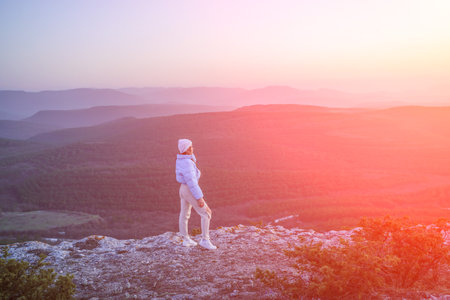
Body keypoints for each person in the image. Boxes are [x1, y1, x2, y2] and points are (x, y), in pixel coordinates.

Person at [176, 138, 217, 250]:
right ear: (187, 149)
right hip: (189, 189)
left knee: (184, 214)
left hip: (182, 189)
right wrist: (199, 198)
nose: (193, 148)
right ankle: (205, 240)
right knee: (206, 213)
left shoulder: (180, 160)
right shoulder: (188, 163)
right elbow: (192, 183)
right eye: (191, 147)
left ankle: (185, 239)